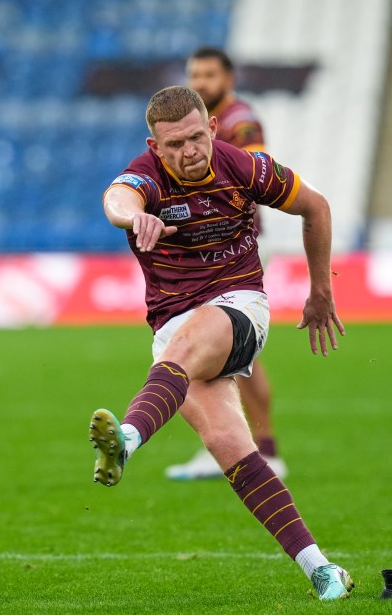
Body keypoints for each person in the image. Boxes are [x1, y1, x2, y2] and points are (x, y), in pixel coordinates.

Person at [88, 86, 352, 600]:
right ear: (155, 146)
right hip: (172, 328)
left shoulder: (245, 168)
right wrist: (131, 216)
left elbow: (315, 207)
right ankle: (322, 570)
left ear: (211, 129)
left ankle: (128, 439)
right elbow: (116, 198)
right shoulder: (145, 176)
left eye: (195, 138)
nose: (188, 152)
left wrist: (321, 291)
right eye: (174, 145)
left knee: (184, 348)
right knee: (231, 450)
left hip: (239, 308)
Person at [165, 46, 286, 481]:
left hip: (236, 244)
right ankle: (257, 447)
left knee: (219, 345)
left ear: (228, 80)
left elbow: (255, 172)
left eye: (209, 74)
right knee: (231, 350)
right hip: (214, 246)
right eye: (194, 73)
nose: (199, 82)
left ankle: (252, 446)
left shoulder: (240, 122)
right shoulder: (200, 126)